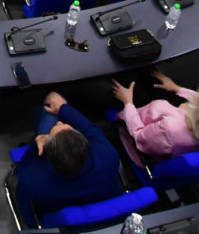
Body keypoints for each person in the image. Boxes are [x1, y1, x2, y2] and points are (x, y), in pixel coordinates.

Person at [12, 91, 122, 222]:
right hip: (104, 208)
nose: (59, 123)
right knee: (55, 113)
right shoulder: (108, 156)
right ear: (85, 143)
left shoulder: (33, 181)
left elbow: (22, 170)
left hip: (59, 212)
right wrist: (63, 108)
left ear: (47, 155)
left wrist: (35, 145)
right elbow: (90, 129)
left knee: (47, 114)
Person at [111, 72, 199, 161]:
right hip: (156, 118)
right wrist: (177, 88)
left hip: (133, 124)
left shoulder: (169, 130)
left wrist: (128, 102)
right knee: (149, 74)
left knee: (123, 78)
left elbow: (139, 137)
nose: (197, 95)